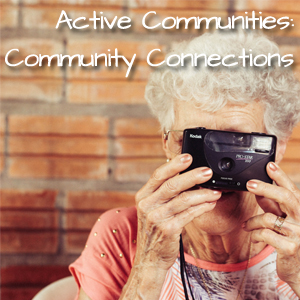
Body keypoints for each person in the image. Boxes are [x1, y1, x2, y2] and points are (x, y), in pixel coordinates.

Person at [69, 31, 300, 300]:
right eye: (193, 142)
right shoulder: (122, 234)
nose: (213, 170)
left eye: (235, 143)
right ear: (167, 144)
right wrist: (149, 265)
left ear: (278, 146)